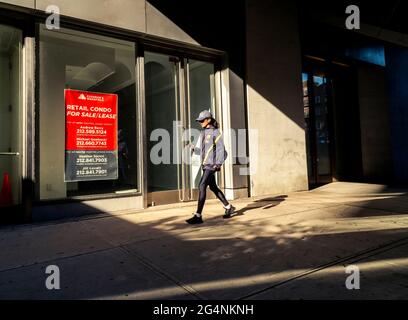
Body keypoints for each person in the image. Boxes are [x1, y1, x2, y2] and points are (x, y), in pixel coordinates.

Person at [186, 110, 236, 225]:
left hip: (211, 166)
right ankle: (229, 207)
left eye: (202, 120)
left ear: (208, 120)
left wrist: (218, 164)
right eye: (199, 121)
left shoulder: (215, 132)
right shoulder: (203, 132)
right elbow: (205, 151)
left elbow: (222, 151)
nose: (200, 122)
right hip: (205, 165)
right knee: (213, 187)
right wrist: (194, 148)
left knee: (201, 186)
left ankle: (198, 215)